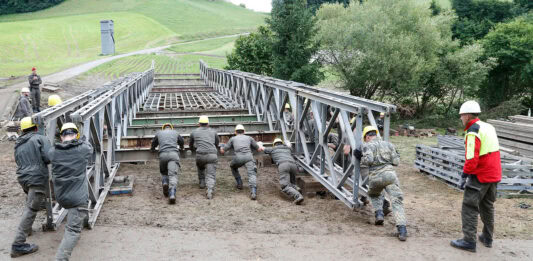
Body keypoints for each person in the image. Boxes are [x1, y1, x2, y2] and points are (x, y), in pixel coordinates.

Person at [450, 101, 502, 252]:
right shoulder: (488, 126)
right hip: (494, 173)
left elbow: (472, 158)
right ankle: (487, 237)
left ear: (466, 115)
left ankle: (468, 241)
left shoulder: (473, 130)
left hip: (480, 174)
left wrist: (464, 175)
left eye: (461, 116)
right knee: (487, 206)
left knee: (469, 206)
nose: (460, 119)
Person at [354, 126, 407, 241]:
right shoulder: (389, 144)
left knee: (374, 194)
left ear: (367, 137)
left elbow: (368, 161)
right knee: (397, 201)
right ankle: (402, 230)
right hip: (390, 176)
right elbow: (396, 162)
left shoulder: (367, 145)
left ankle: (379, 214)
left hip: (375, 178)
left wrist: (360, 156)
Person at [49, 123, 93, 261]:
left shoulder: (53, 152)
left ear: (61, 137)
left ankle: (83, 222)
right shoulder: (83, 149)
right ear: (76, 135)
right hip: (78, 199)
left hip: (61, 197)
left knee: (75, 218)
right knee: (72, 231)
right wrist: (81, 139)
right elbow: (89, 147)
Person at [10, 117, 51, 258]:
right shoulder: (39, 138)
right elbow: (48, 157)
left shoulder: (18, 143)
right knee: (31, 208)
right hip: (37, 178)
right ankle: (18, 244)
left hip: (23, 178)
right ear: (35, 127)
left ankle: (26, 230)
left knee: (31, 203)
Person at [220, 124, 261, 200]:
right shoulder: (249, 138)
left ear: (235, 132)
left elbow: (223, 150)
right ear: (244, 131)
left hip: (238, 158)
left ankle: (239, 183)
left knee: (233, 166)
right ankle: (253, 191)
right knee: (252, 173)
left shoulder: (233, 139)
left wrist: (221, 148)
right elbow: (258, 149)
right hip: (249, 157)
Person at [261, 138, 304, 204]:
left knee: (285, 186)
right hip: (294, 165)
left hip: (283, 165)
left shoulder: (272, 149)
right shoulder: (287, 148)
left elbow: (262, 148)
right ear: (282, 143)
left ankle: (298, 196)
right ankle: (296, 188)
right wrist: (287, 142)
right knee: (292, 182)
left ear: (274, 144)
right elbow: (289, 145)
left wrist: (259, 143)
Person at [150, 123, 184, 204]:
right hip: (173, 155)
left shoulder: (159, 133)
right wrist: (182, 147)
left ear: (163, 128)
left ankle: (165, 182)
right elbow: (181, 141)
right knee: (173, 175)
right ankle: (172, 194)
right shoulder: (175, 132)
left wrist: (152, 149)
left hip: (162, 155)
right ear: (171, 128)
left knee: (164, 172)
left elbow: (153, 143)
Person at [190, 116, 220, 199]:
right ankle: (209, 190)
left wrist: (193, 149)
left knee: (200, 167)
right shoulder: (213, 132)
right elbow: (217, 143)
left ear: (199, 124)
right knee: (210, 174)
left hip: (200, 155)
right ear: (208, 124)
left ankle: (202, 183)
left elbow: (191, 144)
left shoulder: (194, 132)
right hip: (212, 155)